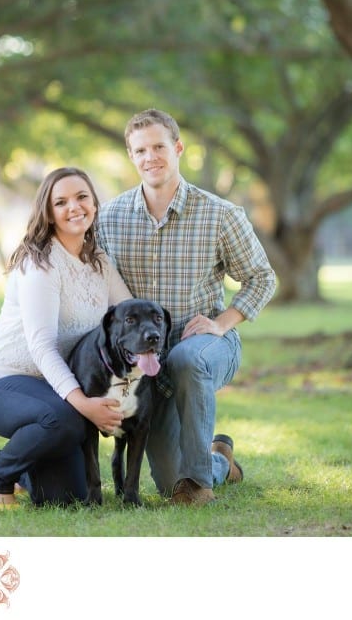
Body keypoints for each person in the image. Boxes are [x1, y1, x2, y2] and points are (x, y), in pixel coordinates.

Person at [96, 109, 277, 506]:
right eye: (140, 150)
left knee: (185, 359)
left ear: (178, 148)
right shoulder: (109, 217)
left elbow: (263, 278)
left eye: (159, 146)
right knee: (166, 485)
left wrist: (223, 322)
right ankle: (217, 461)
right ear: (131, 156)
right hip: (148, 362)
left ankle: (199, 484)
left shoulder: (220, 215)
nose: (150, 157)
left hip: (207, 347)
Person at [0, 167, 133, 508]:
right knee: (68, 421)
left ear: (94, 203)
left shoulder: (98, 260)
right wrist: (86, 405)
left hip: (51, 390)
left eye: (81, 197)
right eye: (61, 202)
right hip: (1, 382)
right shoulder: (40, 264)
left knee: (69, 498)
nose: (74, 207)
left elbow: (127, 314)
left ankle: (24, 472)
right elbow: (41, 346)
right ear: (49, 212)